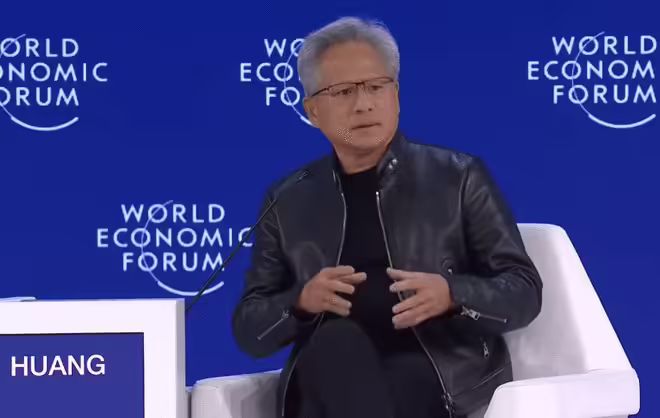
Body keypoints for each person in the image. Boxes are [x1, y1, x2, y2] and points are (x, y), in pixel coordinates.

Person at [232, 16, 542, 418]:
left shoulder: (458, 177)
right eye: (344, 91)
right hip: (328, 373)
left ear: (395, 94)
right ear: (312, 110)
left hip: (438, 377)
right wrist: (301, 302)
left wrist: (452, 294)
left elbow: (523, 290)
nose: (364, 103)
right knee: (336, 344)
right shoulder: (287, 199)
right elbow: (250, 328)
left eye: (376, 86)